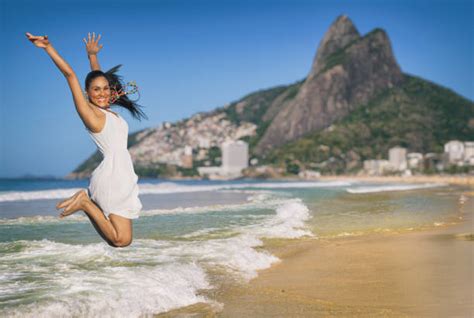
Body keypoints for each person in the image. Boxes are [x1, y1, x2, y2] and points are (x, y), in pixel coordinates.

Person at [26, 32, 145, 247]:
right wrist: (48, 48)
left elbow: (98, 78)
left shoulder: (107, 110)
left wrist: (92, 56)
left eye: (106, 88)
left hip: (122, 175)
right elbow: (70, 75)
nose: (102, 93)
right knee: (120, 240)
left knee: (122, 239)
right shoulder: (91, 115)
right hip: (112, 179)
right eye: (96, 90)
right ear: (87, 94)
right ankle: (84, 202)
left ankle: (85, 202)